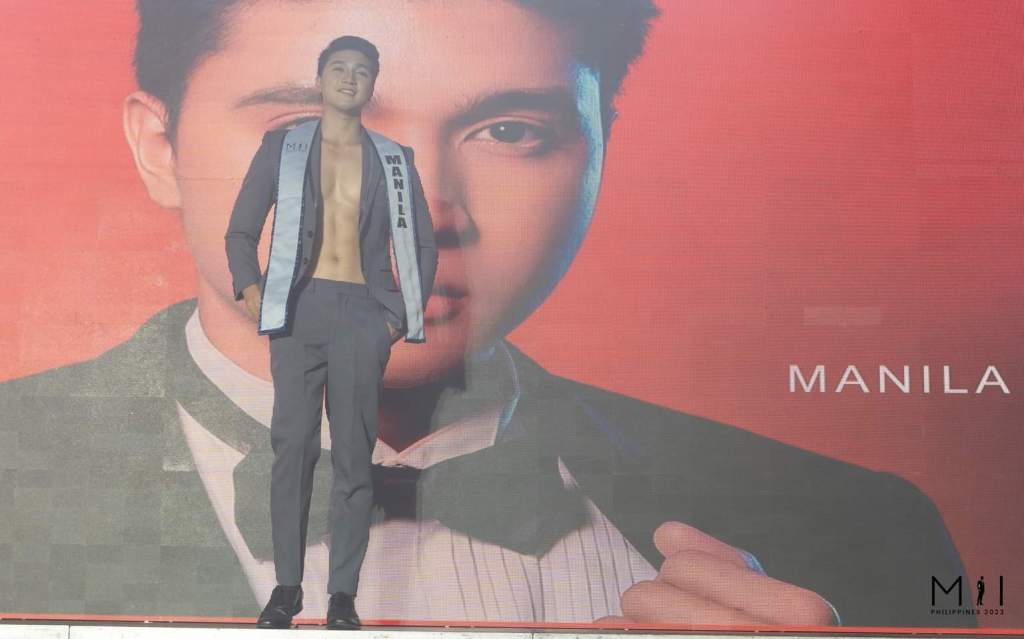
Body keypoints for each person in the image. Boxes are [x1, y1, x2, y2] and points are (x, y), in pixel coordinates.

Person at [0, 0, 973, 629]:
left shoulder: (864, 532)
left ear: (598, 149)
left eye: (510, 131)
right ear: (160, 148)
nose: (424, 214)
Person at [223, 35, 437, 629]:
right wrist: (251, 289)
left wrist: (395, 318)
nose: (349, 78)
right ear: (319, 80)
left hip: (364, 314)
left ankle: (343, 594)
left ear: (372, 85)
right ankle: (287, 589)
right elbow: (240, 231)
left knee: (352, 457)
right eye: (338, 68)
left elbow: (422, 244)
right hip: (299, 310)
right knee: (292, 448)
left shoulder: (394, 159)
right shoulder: (283, 146)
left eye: (361, 71)